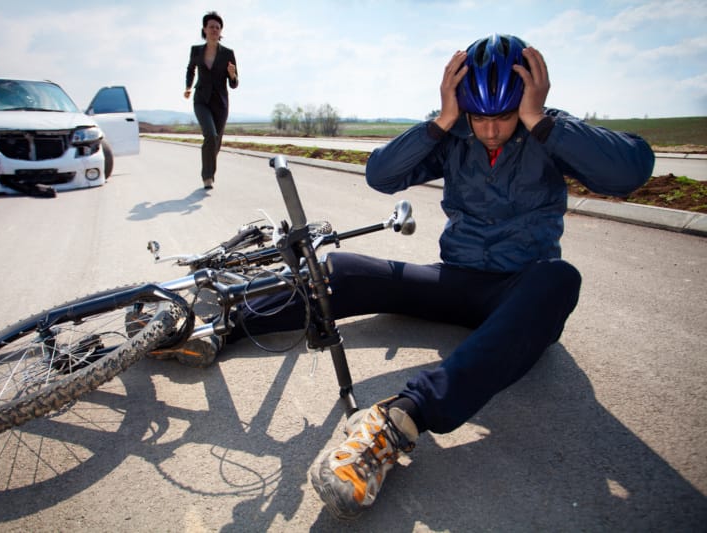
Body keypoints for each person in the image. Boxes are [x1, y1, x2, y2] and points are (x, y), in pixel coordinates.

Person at [175, 34, 655, 519]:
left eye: (504, 116)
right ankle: (221, 327)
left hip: (519, 291)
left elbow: (630, 172)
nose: (490, 131)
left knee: (560, 279)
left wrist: (539, 121)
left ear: (529, 100)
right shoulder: (456, 132)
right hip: (453, 281)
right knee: (347, 269)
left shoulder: (549, 130)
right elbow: (380, 175)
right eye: (478, 116)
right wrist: (442, 121)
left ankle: (398, 421)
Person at [184, 11, 239, 189]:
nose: (214, 30)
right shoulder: (196, 50)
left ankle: (208, 165)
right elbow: (190, 69)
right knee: (210, 134)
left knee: (216, 142)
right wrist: (188, 87)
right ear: (204, 29)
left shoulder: (228, 53)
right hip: (201, 100)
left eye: (217, 27)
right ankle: (208, 176)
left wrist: (232, 75)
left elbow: (234, 84)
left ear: (220, 31)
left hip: (220, 103)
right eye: (211, 27)